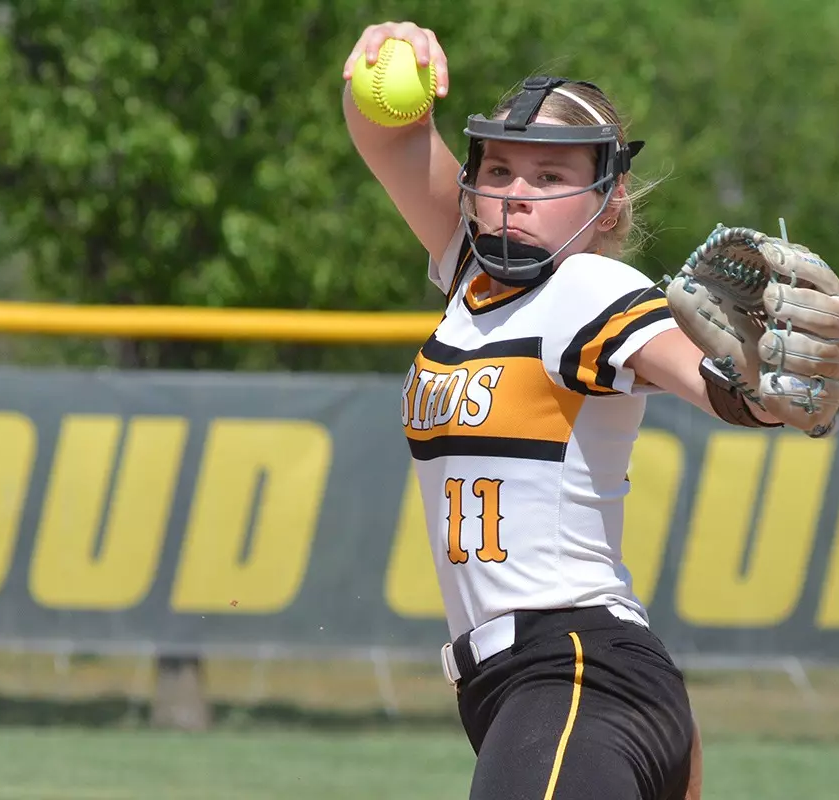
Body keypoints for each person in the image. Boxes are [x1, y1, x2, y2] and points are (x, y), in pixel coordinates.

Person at [342, 21, 803, 800]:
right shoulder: (471, 279)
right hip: (526, 694)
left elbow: (709, 381)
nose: (515, 195)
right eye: (499, 169)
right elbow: (387, 137)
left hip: (578, 675)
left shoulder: (591, 289)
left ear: (609, 196)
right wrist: (384, 54)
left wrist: (760, 385)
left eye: (550, 177)